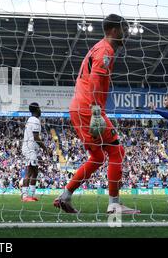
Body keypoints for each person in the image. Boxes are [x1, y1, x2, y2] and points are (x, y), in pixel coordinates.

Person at [54, 14, 140, 214]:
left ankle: (64, 197)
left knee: (98, 156)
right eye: (124, 31)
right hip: (88, 109)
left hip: (78, 107)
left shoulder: (98, 47)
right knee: (117, 152)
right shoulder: (105, 50)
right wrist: (95, 111)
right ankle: (114, 204)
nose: (126, 35)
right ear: (114, 30)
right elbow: (94, 80)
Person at [21, 102, 47, 202]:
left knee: (35, 172)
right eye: (39, 108)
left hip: (30, 148)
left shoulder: (30, 120)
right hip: (30, 149)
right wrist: (45, 148)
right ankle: (25, 196)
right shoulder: (35, 120)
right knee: (29, 172)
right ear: (37, 109)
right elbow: (36, 137)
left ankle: (31, 195)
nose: (40, 110)